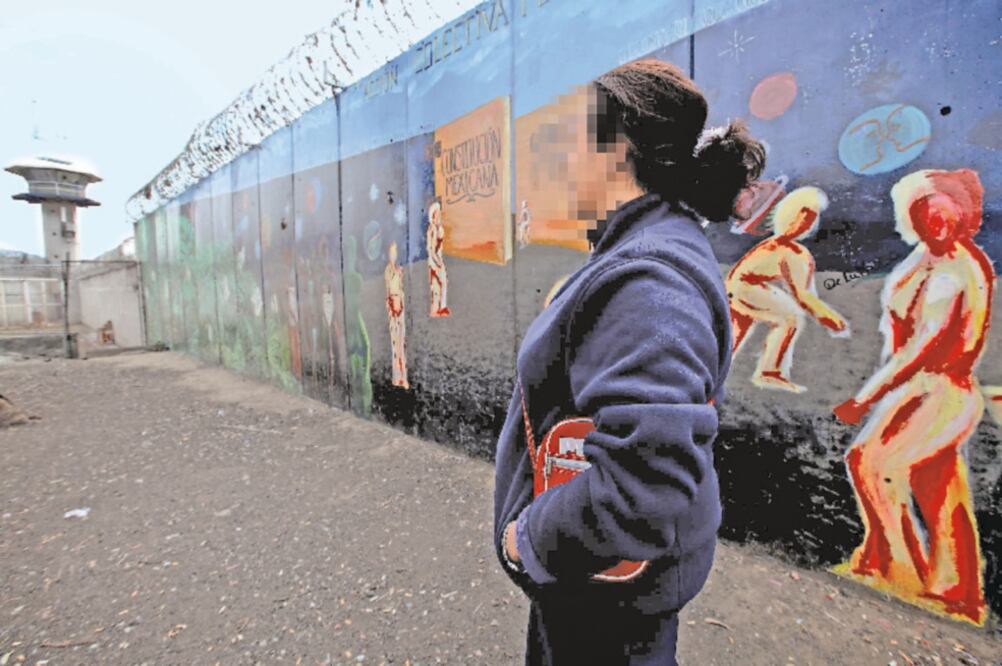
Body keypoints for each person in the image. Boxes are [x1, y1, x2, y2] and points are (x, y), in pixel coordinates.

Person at [493, 59, 765, 665]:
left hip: (604, 609)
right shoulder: (645, 247)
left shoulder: (648, 278)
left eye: (570, 136)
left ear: (616, 148)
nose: (557, 157)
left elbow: (642, 486)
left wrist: (526, 538)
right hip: (595, 584)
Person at [833, 168, 992, 626]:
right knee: (932, 481)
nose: (934, 222)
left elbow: (920, 348)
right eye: (924, 213)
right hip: (920, 387)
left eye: (942, 214)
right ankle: (952, 589)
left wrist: (864, 398)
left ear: (961, 215)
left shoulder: (956, 269)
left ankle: (901, 571)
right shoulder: (926, 259)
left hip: (941, 388)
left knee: (875, 464)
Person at [726, 186, 850, 393]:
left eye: (810, 217)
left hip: (737, 289)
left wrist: (826, 315)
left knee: (735, 336)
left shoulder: (790, 251)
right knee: (790, 318)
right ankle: (769, 372)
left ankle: (726, 368)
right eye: (801, 214)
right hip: (744, 288)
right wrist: (828, 317)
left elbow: (804, 293)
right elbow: (803, 296)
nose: (804, 221)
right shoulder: (788, 251)